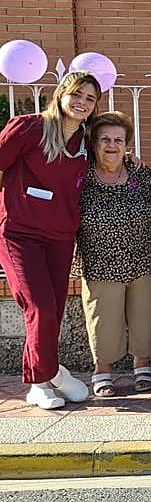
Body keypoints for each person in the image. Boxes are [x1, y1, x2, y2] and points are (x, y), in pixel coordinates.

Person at [0, 72, 101, 409]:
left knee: (54, 310)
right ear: (61, 94)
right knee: (39, 306)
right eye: (77, 94)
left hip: (60, 235)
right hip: (19, 233)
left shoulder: (85, 141)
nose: (82, 103)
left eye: (90, 98)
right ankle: (40, 381)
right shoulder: (28, 128)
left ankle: (52, 371)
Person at [77, 112, 151, 397]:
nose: (112, 145)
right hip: (99, 261)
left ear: (126, 145)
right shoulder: (81, 176)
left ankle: (142, 366)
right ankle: (102, 370)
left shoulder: (140, 172)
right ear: (93, 143)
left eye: (118, 140)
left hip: (145, 258)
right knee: (103, 319)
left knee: (144, 316)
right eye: (105, 139)